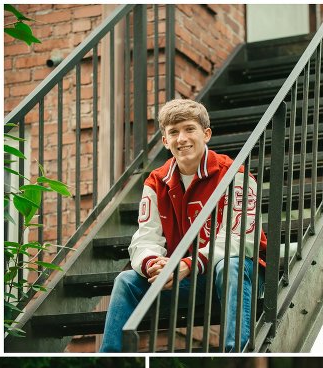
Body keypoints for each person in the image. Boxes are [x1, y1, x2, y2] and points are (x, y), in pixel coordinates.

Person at [99, 98, 266, 352]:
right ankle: (109, 363)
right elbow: (145, 238)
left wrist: (187, 264)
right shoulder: (156, 182)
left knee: (230, 264)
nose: (182, 138)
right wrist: (155, 264)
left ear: (206, 134)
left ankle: (236, 352)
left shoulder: (235, 175)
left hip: (240, 274)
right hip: (186, 277)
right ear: (165, 141)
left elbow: (241, 239)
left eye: (190, 129)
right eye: (173, 132)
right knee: (126, 281)